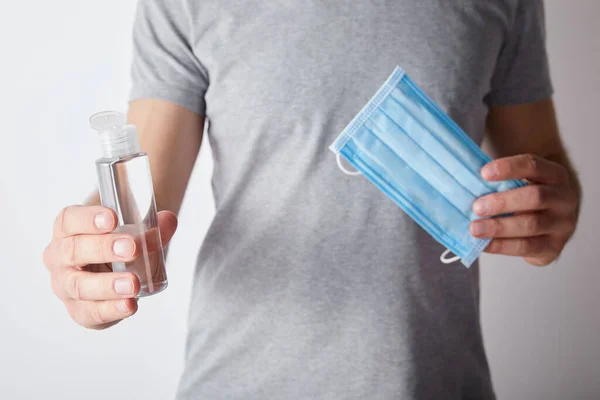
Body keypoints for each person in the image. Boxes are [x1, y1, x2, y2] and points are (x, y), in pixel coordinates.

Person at [42, 1, 581, 398]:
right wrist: (92, 256)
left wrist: (552, 217)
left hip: (437, 381)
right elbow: (141, 204)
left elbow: (545, 171)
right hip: (239, 381)